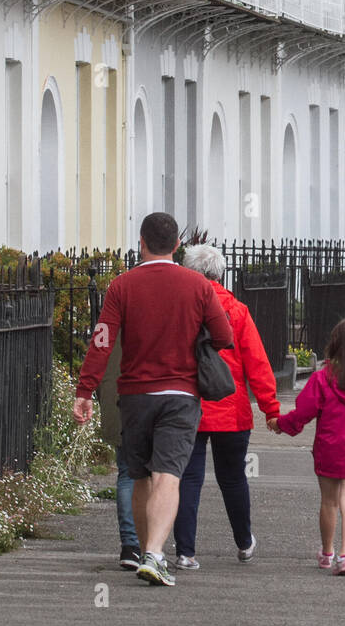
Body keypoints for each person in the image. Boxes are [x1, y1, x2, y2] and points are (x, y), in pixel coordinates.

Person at [73, 212, 232, 587]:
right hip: (180, 393)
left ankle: (146, 550)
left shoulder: (121, 286)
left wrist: (85, 391)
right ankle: (155, 554)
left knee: (140, 474)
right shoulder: (199, 286)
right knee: (168, 475)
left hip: (135, 395)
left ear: (140, 242)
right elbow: (223, 336)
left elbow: (102, 341)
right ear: (177, 246)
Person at [172, 244, 281, 570]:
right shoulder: (237, 310)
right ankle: (244, 542)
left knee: (188, 479)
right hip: (230, 408)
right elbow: (257, 363)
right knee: (233, 478)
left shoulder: (180, 311)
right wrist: (270, 408)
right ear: (220, 274)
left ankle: (185, 552)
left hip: (188, 405)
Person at [270, 319, 345, 576]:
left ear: (335, 343)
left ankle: (326, 552)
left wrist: (281, 424)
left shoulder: (323, 378)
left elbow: (304, 413)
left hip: (330, 448)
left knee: (329, 503)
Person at [97, 333, 141, 571]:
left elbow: (98, 353)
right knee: (159, 475)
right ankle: (149, 544)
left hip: (117, 396)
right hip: (148, 399)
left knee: (126, 474)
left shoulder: (113, 314)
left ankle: (130, 545)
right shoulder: (154, 310)